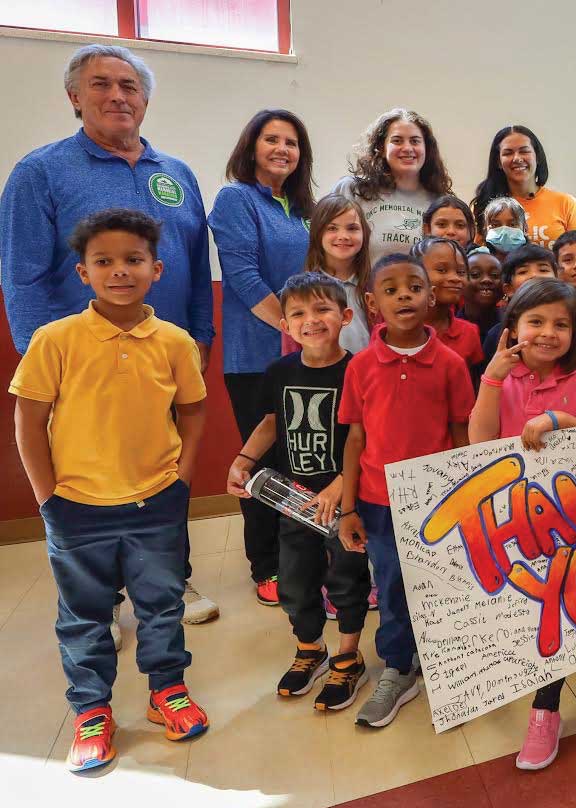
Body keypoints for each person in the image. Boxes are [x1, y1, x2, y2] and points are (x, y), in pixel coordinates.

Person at [1, 44, 218, 627]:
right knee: (92, 478)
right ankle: (100, 601)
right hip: (80, 367)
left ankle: (172, 579)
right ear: (75, 98)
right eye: (100, 85)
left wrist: (200, 335)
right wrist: (44, 362)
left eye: (130, 86)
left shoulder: (176, 174)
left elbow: (196, 264)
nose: (117, 96)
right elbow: (21, 276)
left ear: (145, 100)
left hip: (166, 357)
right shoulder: (39, 173)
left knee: (165, 468)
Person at [11, 209, 210, 773]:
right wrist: (47, 497)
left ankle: (167, 689)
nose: (118, 271)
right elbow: (29, 421)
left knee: (162, 605)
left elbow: (193, 412)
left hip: (157, 503)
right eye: (104, 261)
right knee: (84, 614)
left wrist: (183, 478)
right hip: (76, 509)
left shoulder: (174, 341)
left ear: (156, 269)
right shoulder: (55, 340)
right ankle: (92, 710)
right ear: (82, 273)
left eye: (132, 260)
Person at [466, 278, 576, 770]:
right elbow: (479, 441)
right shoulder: (498, 376)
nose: (548, 333)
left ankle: (560, 699)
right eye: (536, 322)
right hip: (514, 514)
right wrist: (491, 379)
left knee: (572, 600)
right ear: (513, 328)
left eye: (561, 325)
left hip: (574, 514)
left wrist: (555, 418)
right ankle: (539, 699)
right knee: (532, 609)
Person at [336, 253, 475, 728]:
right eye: (391, 290)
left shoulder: (452, 364)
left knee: (444, 583)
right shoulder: (360, 366)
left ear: (431, 296)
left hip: (439, 500)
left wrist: (465, 499)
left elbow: (461, 435)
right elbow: (355, 438)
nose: (404, 297)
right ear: (373, 304)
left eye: (414, 287)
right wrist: (348, 508)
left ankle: (452, 664)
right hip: (378, 502)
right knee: (392, 587)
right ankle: (398, 667)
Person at [225, 274, 371, 711]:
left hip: (344, 504)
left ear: (345, 316)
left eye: (323, 309)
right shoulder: (279, 371)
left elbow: (369, 439)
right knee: (294, 581)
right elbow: (271, 422)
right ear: (285, 325)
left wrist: (339, 489)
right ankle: (310, 649)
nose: (312, 320)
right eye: (299, 314)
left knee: (347, 580)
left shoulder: (360, 371)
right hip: (294, 501)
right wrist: (243, 461)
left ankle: (348, 655)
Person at [210, 109, 315, 606]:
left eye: (291, 142)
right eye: (271, 139)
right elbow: (244, 277)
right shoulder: (235, 199)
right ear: (251, 146)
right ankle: (266, 564)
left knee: (303, 458)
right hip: (257, 356)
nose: (282, 149)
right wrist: (295, 329)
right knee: (263, 460)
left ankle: (304, 557)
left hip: (306, 354)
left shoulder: (301, 208)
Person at [333, 108, 453, 265]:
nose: (408, 148)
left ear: (426, 149)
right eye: (397, 140)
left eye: (415, 141)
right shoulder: (352, 189)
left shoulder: (440, 201)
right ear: (381, 148)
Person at [469, 125, 576, 249]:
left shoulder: (565, 204)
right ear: (498, 162)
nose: (517, 158)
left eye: (524, 151)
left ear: (537, 156)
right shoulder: (481, 206)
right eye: (508, 153)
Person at [290, 194, 374, 353]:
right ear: (317, 233)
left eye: (352, 228)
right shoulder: (299, 292)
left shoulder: (374, 287)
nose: (343, 236)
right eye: (332, 228)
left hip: (366, 375)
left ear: (364, 233)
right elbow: (291, 351)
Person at [410, 237, 482, 370]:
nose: (455, 278)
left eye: (461, 272)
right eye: (442, 270)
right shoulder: (395, 330)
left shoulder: (469, 332)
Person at [463, 248, 504, 339]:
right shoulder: (447, 327)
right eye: (475, 274)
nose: (486, 280)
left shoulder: (512, 324)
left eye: (494, 275)